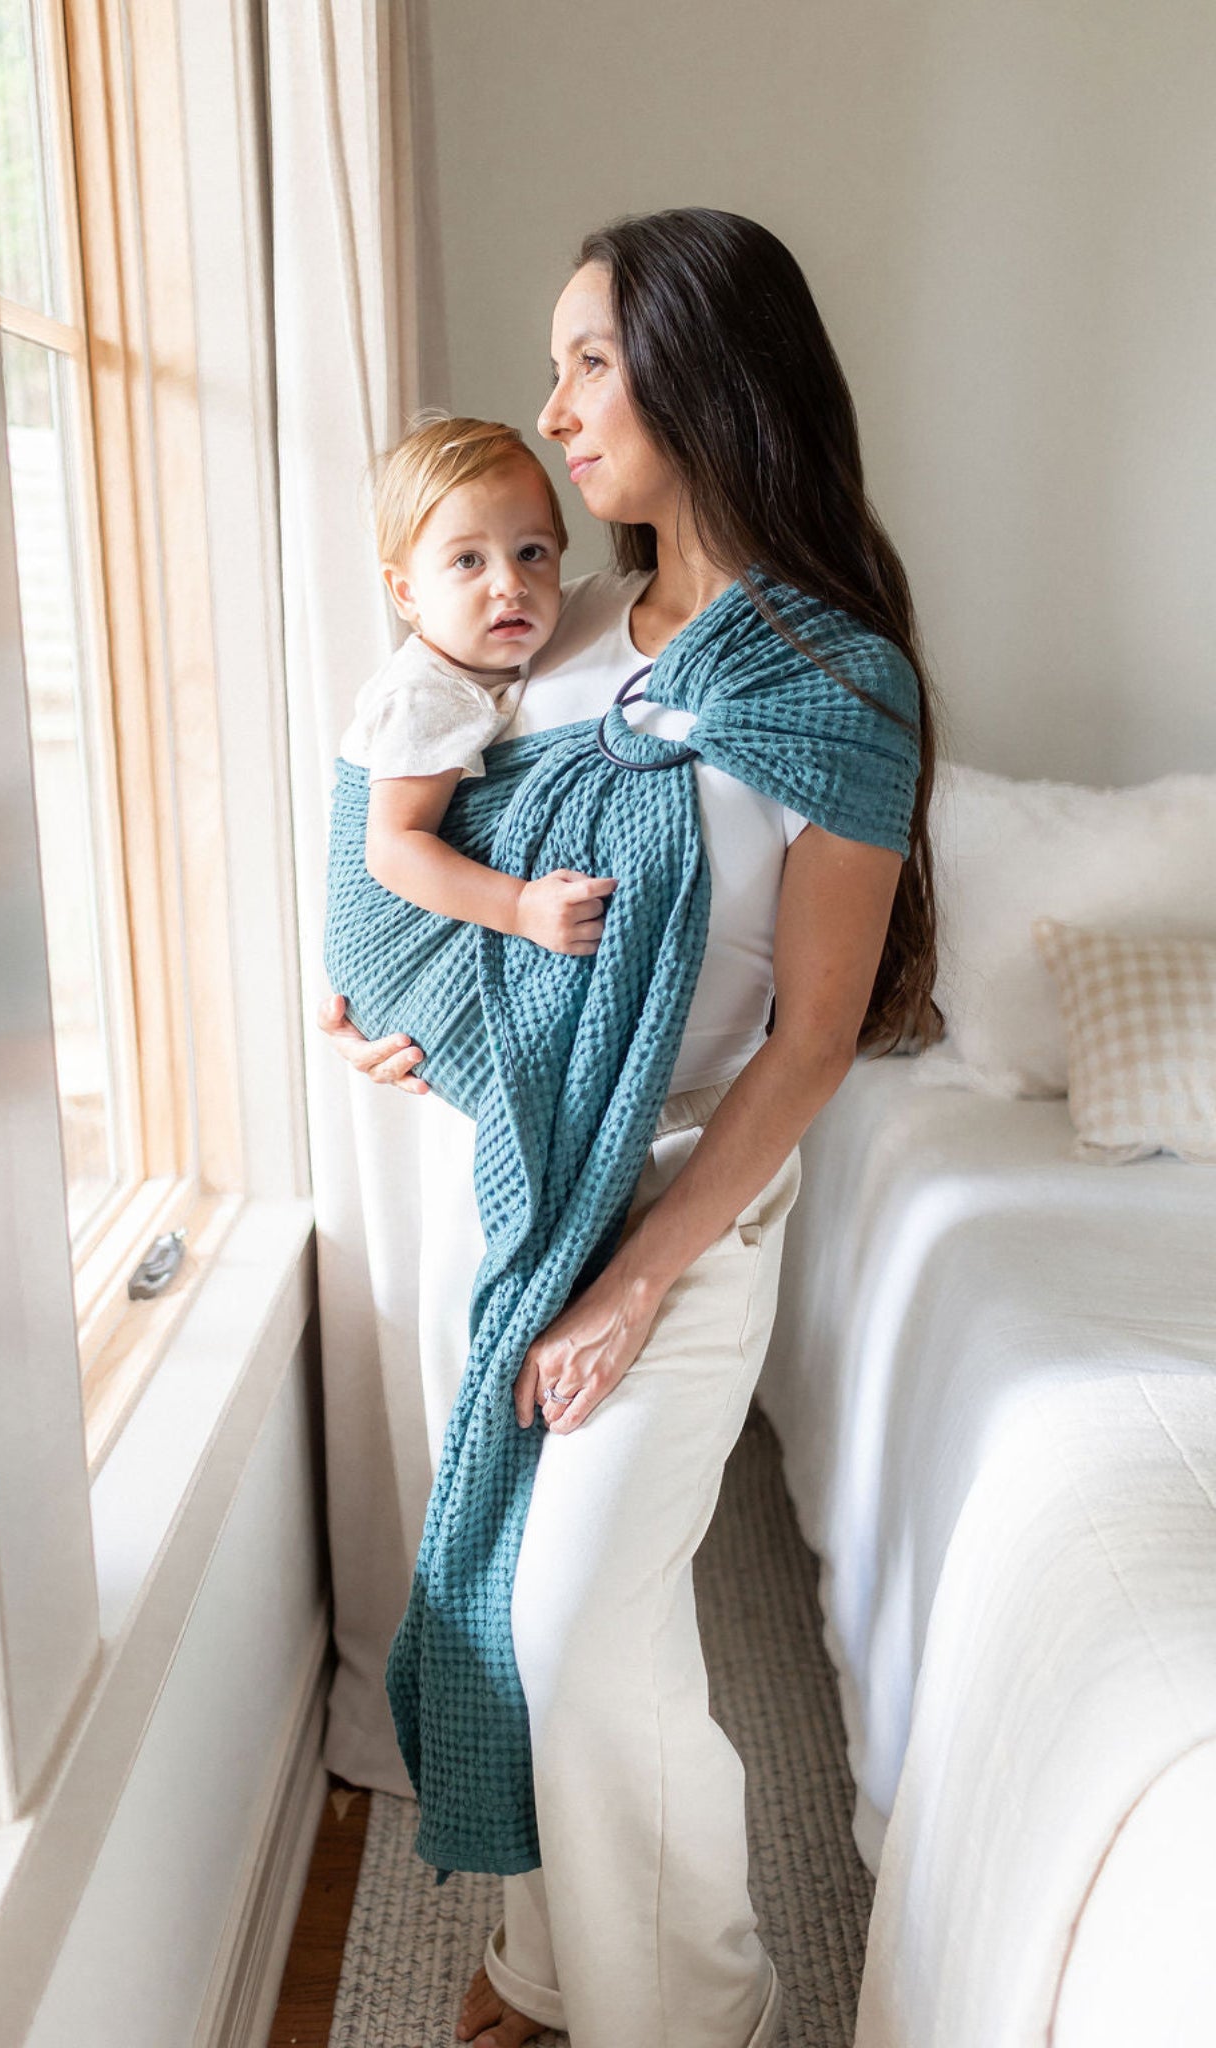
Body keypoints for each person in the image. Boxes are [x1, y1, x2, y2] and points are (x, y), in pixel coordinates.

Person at [319, 207, 943, 2048]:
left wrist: (636, 1287)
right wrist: (412, 1017)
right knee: (508, 1579)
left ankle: (698, 2012)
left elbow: (813, 1036)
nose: (555, 406)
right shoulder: (551, 632)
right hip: (508, 1199)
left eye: (591, 358)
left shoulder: (838, 684)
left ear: (705, 368)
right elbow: (445, 870)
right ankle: (549, 1950)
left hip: (683, 1218)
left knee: (587, 1619)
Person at [337, 413, 618, 958]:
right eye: (468, 561)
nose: (510, 585)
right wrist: (518, 907)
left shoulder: (515, 656)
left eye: (531, 553)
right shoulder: (428, 694)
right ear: (407, 593)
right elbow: (394, 847)